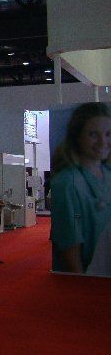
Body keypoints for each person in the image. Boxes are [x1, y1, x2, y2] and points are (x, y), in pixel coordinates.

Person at [50, 103, 111, 275]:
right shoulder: (67, 183)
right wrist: (82, 283)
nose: (103, 142)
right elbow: (70, 247)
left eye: (108, 134)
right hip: (90, 277)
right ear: (77, 136)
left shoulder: (107, 175)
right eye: (93, 134)